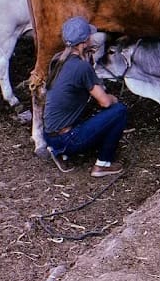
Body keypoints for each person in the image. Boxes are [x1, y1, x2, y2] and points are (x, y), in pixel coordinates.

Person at [43, 16, 128, 177]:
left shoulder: (58, 60)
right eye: (89, 36)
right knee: (119, 110)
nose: (92, 38)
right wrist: (113, 98)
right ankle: (102, 165)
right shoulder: (82, 67)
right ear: (84, 42)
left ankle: (60, 152)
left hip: (49, 136)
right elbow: (104, 102)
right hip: (67, 140)